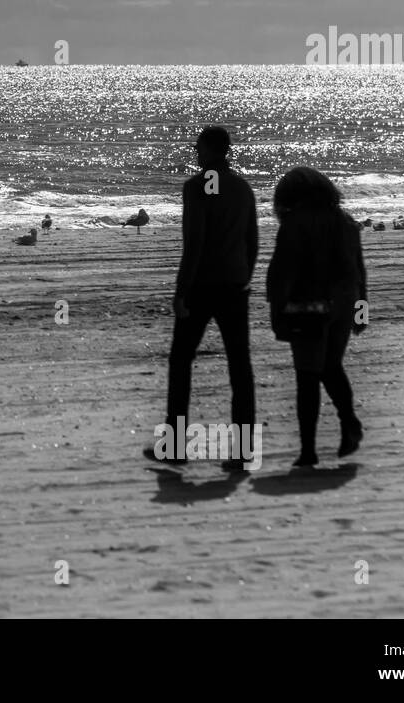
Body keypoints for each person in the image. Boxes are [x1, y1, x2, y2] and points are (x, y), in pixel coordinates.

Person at [148, 126, 258, 467]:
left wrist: (182, 291)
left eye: (199, 146)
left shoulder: (197, 187)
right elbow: (252, 240)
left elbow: (193, 243)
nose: (195, 151)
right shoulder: (242, 188)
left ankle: (177, 445)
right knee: (240, 366)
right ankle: (243, 450)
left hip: (202, 286)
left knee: (181, 362)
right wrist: (243, 274)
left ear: (210, 150)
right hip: (235, 285)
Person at [265, 167, 366, 467]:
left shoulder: (294, 223)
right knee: (332, 366)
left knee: (307, 375)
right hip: (345, 304)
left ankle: (308, 449)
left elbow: (283, 273)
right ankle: (349, 422)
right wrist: (362, 311)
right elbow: (359, 271)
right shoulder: (346, 222)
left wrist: (277, 311)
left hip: (308, 305)